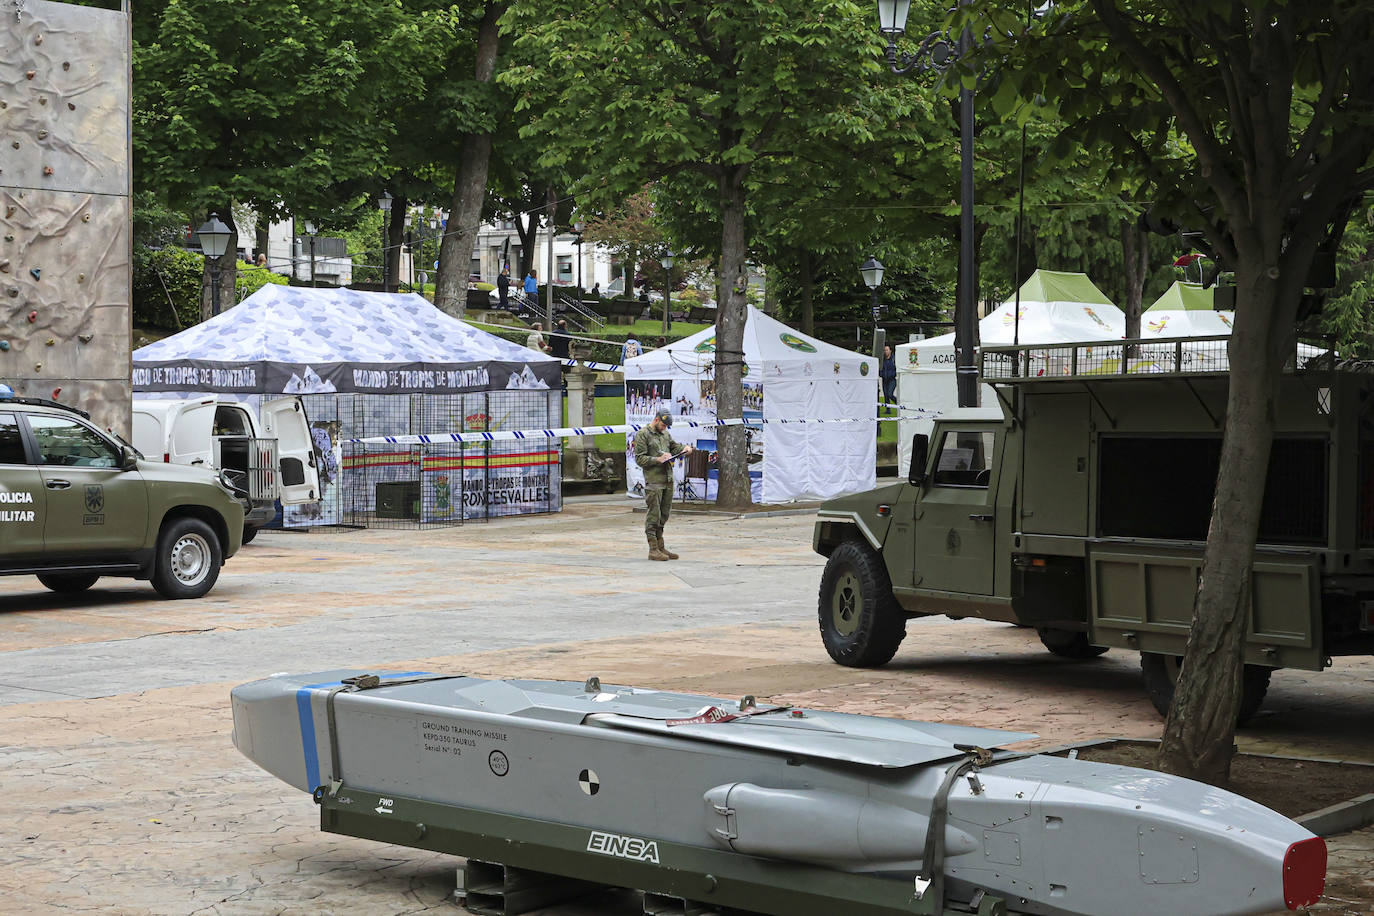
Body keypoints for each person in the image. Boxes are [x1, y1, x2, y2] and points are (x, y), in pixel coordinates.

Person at [633, 407, 693, 561]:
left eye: (666, 426)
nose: (664, 428)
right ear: (656, 419)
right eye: (663, 425)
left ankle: (661, 546)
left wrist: (684, 449)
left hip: (667, 479)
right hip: (654, 481)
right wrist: (657, 460)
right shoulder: (643, 435)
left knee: (664, 514)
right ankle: (653, 549)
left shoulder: (665, 434)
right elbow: (639, 459)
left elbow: (674, 446)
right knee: (654, 515)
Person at [881, 344, 897, 413]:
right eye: (884, 350)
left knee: (890, 394)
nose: (885, 352)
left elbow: (896, 369)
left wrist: (892, 375)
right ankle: (888, 410)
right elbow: (880, 369)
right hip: (884, 379)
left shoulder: (894, 359)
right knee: (886, 395)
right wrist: (881, 374)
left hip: (892, 380)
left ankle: (898, 404)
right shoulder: (882, 360)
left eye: (887, 350)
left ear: (890, 351)